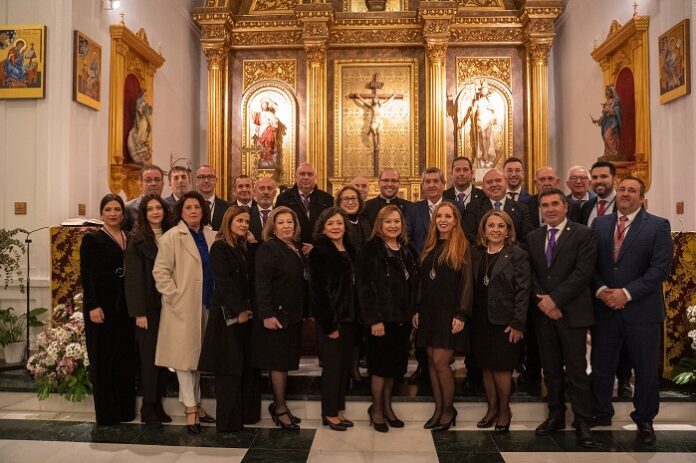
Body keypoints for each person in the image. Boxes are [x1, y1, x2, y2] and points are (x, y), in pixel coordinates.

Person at [590, 176, 673, 446]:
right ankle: (601, 412)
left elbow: (660, 269)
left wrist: (625, 294)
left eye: (631, 190)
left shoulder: (658, 226)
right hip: (605, 309)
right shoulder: (600, 223)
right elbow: (590, 263)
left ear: (641, 197)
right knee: (602, 366)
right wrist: (602, 290)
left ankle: (645, 420)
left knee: (645, 369)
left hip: (641, 311)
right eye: (622, 189)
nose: (625, 194)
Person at [525, 189, 596, 448]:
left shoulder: (583, 234)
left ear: (565, 207)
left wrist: (555, 300)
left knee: (577, 371)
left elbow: (583, 273)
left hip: (572, 313)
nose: (550, 209)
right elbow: (528, 273)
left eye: (555, 204)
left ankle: (582, 420)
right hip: (544, 315)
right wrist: (543, 301)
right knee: (551, 370)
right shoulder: (533, 237)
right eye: (545, 205)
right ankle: (555, 415)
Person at [153, 191, 217, 434]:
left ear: (203, 211)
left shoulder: (211, 235)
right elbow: (160, 272)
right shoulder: (172, 237)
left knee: (197, 359)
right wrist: (175, 296)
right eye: (188, 207)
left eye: (197, 207)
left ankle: (196, 404)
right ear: (181, 212)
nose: (193, 211)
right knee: (184, 361)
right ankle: (190, 408)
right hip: (182, 307)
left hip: (206, 305)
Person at [198, 206, 261, 432]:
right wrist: (240, 309)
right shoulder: (220, 247)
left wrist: (253, 244)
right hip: (226, 317)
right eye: (240, 221)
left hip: (244, 316)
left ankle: (240, 417)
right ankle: (227, 422)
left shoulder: (243, 246)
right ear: (229, 221)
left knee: (239, 367)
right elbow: (223, 282)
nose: (244, 224)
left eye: (247, 221)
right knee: (228, 369)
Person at [358, 205, 418, 433]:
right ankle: (376, 410)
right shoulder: (371, 249)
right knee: (380, 368)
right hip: (380, 321)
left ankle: (387, 407)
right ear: (379, 225)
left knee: (394, 367)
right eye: (388, 222)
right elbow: (365, 288)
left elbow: (413, 284)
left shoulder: (406, 248)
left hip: (401, 320)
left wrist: (413, 311)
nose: (393, 226)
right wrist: (374, 320)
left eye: (397, 221)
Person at [413, 202, 473, 431]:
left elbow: (467, 285)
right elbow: (422, 281)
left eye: (448, 216)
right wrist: (417, 309)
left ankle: (449, 410)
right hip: (428, 312)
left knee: (441, 361)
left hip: (450, 313)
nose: (443, 220)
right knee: (430, 359)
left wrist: (462, 313)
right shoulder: (428, 245)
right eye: (440, 216)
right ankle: (438, 408)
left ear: (456, 220)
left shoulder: (462, 246)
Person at [469, 210, 530, 433]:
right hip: (480, 320)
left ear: (508, 231)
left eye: (500, 226)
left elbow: (524, 291)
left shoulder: (517, 254)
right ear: (484, 230)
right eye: (491, 225)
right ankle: (491, 409)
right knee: (486, 367)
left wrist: (517, 323)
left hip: (506, 322)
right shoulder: (476, 253)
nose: (495, 230)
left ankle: (505, 411)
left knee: (502, 369)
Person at [80, 194, 136, 425]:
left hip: (124, 305)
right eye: (108, 210)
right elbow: (87, 274)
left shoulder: (128, 237)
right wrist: (93, 305)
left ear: (123, 214)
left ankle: (125, 410)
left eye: (117, 210)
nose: (113, 214)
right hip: (101, 306)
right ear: (102, 213)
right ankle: (106, 413)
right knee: (103, 360)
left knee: (124, 358)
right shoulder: (92, 239)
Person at [579, 161, 633, 398]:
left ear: (614, 179)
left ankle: (623, 379)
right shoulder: (586, 206)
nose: (599, 181)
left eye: (604, 176)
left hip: (620, 285)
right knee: (599, 335)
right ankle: (600, 377)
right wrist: (597, 285)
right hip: (592, 281)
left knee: (623, 337)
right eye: (595, 177)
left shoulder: (624, 206)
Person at [253, 206, 309, 430]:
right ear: (273, 227)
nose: (287, 226)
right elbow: (262, 284)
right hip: (276, 316)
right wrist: (266, 314)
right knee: (278, 364)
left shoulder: (294, 247)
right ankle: (280, 408)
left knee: (285, 362)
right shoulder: (269, 248)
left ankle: (279, 404)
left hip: (292, 316)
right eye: (282, 222)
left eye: (290, 222)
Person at [124, 194, 174, 426]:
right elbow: (133, 279)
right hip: (148, 308)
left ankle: (158, 404)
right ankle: (147, 406)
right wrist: (139, 312)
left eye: (158, 208)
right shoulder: (136, 239)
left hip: (169, 306)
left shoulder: (171, 234)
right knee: (149, 359)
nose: (155, 212)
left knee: (164, 358)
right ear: (143, 214)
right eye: (150, 209)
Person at [309, 207, 359, 432]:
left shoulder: (350, 248)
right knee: (332, 368)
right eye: (331, 224)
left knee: (343, 368)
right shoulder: (319, 251)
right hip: (331, 321)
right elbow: (319, 292)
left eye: (339, 223)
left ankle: (338, 410)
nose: (336, 227)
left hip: (350, 320)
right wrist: (330, 325)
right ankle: (329, 413)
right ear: (323, 227)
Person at [463, 168, 534, 244]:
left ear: (506, 183)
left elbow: (527, 237)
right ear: (483, 187)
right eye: (489, 182)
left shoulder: (521, 209)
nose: (494, 184)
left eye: (498, 180)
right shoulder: (473, 207)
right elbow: (468, 235)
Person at [275, 162, 334, 248]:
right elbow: (278, 226)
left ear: (315, 177)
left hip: (320, 249)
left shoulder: (327, 199)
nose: (306, 177)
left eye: (310, 174)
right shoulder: (284, 199)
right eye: (302, 174)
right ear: (296, 177)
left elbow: (331, 226)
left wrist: (316, 247)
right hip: (292, 248)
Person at [125, 164, 165, 230]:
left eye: (157, 179)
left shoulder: (169, 207)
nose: (153, 183)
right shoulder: (128, 208)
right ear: (140, 185)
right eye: (148, 180)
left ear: (162, 184)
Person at [195, 165, 231, 231]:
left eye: (210, 177)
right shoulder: (188, 207)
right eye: (202, 177)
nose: (206, 180)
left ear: (216, 180)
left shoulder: (228, 207)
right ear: (196, 181)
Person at [591, 85, 622, 160]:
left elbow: (617, 111)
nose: (607, 95)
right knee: (605, 137)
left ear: (611, 93)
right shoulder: (606, 103)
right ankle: (609, 152)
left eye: (608, 93)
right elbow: (604, 116)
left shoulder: (615, 102)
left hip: (612, 122)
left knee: (608, 136)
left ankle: (615, 152)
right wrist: (597, 120)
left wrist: (609, 110)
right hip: (606, 123)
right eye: (606, 93)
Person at [335, 184, 371, 250]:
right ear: (339, 202)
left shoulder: (365, 221)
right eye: (346, 199)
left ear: (359, 201)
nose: (350, 202)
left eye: (354, 198)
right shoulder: (336, 223)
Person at [249, 176, 277, 242]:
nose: (266, 192)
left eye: (270, 188)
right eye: (262, 188)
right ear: (254, 192)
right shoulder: (247, 214)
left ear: (275, 193)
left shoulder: (281, 214)